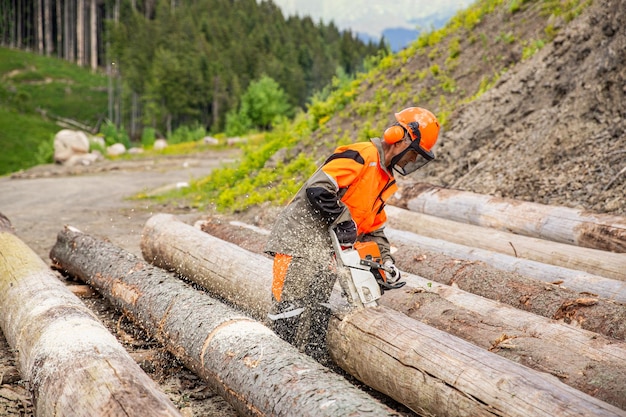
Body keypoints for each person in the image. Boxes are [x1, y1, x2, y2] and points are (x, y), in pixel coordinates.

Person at [264, 106, 441, 356]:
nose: (412, 160)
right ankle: (276, 364)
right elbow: (317, 189)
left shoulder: (384, 179)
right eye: (413, 153)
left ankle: (312, 368)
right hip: (300, 240)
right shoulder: (361, 155)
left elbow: (373, 229)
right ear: (396, 137)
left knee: (319, 310)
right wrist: (343, 220)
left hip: (327, 251)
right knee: (290, 308)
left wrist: (385, 264)